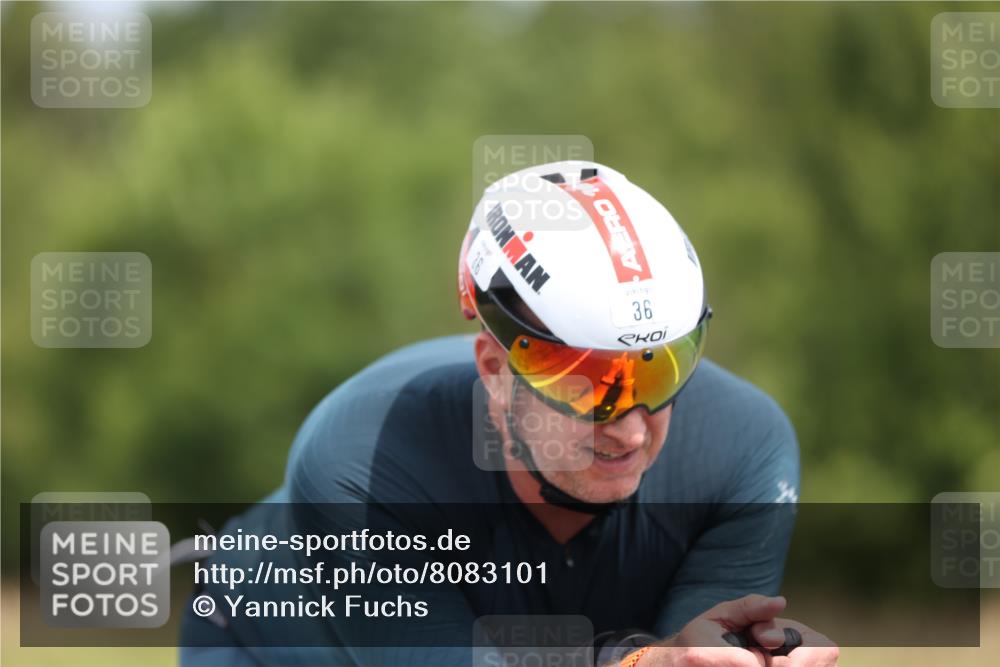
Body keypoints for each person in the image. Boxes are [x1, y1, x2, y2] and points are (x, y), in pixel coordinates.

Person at [180, 161, 838, 666]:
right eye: (588, 386)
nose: (633, 428)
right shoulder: (361, 461)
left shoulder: (747, 447)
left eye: (659, 371)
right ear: (496, 370)